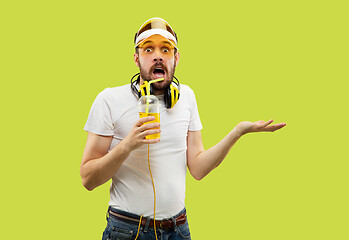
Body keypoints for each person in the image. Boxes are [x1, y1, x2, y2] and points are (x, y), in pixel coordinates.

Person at [80, 17, 286, 240]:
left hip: (178, 229)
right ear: (136, 58)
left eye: (166, 50)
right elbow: (88, 179)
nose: (158, 55)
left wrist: (238, 131)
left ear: (176, 58)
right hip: (128, 229)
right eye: (148, 49)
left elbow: (197, 168)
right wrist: (127, 145)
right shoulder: (109, 100)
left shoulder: (186, 97)